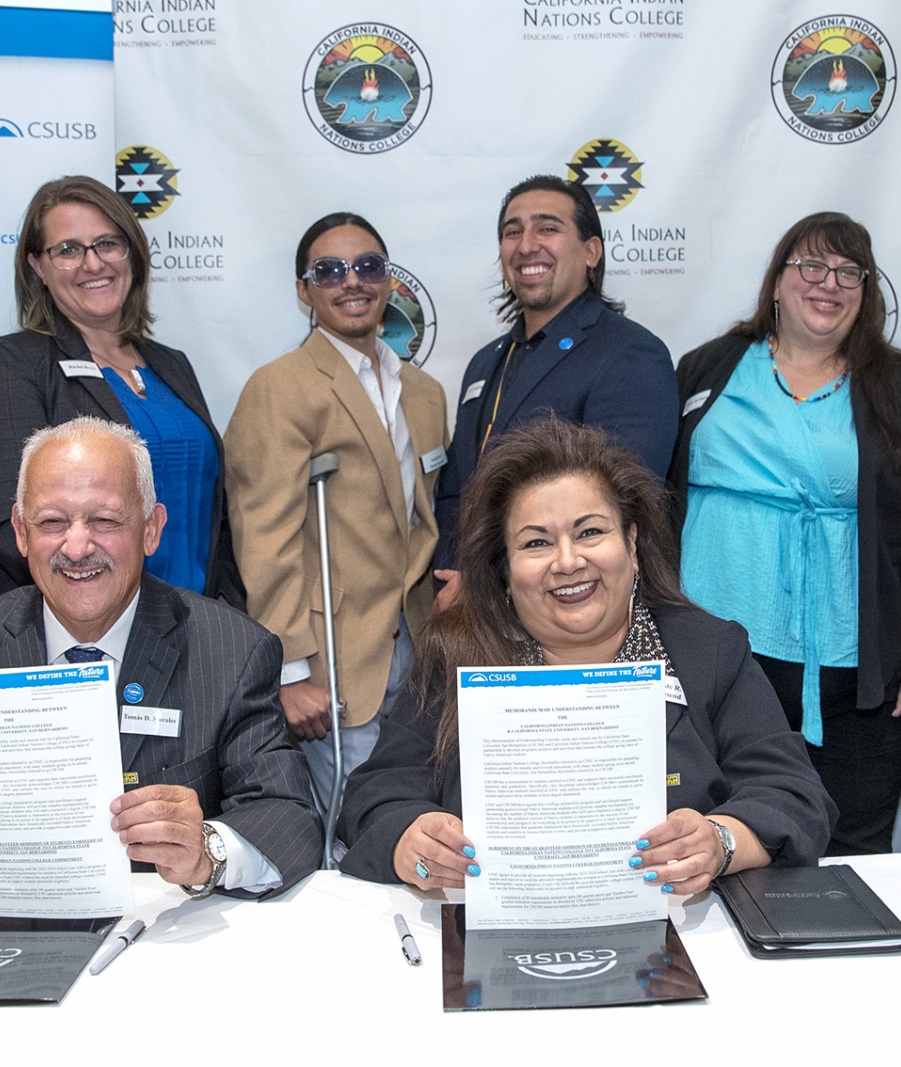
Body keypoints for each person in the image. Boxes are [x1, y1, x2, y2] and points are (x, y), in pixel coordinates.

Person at [0, 418, 322, 900]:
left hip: (161, 941)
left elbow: (289, 818)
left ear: (151, 528)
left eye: (104, 520)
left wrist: (207, 851)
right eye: (53, 521)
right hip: (0, 934)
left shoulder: (230, 650)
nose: (77, 548)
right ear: (20, 531)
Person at [340, 418, 834, 892]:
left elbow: (793, 794)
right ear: (505, 570)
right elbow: (375, 796)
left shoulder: (708, 651)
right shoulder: (454, 655)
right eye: (536, 542)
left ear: (633, 544)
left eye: (590, 532)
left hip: (685, 926)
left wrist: (721, 841)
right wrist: (411, 838)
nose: (568, 561)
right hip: (488, 933)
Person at [667, 212, 901, 856]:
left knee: (849, 852)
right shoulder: (707, 369)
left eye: (848, 272)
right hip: (714, 665)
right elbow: (652, 498)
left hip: (856, 683)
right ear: (777, 282)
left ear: (866, 294)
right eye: (811, 266)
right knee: (708, 843)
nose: (827, 283)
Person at [225, 212, 449, 816]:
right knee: (357, 821)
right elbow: (263, 537)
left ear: (390, 281)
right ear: (305, 290)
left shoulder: (424, 393)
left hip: (419, 643)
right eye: (329, 270)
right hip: (334, 653)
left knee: (422, 808)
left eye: (368, 266)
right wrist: (291, 670)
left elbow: (425, 519)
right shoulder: (279, 387)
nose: (352, 281)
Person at [0, 175, 241, 608]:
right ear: (38, 265)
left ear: (131, 252)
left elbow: (214, 517)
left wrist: (227, 617)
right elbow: (8, 526)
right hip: (77, 631)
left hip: (191, 627)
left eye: (107, 244)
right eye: (69, 250)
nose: (93, 264)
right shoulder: (14, 362)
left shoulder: (172, 364)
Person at [430, 176, 676, 609]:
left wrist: (485, 584)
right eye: (512, 231)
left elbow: (618, 506)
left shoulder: (630, 353)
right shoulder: (485, 362)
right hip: (478, 618)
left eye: (547, 228)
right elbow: (456, 494)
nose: (526, 245)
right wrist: (457, 578)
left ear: (591, 252)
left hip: (577, 613)